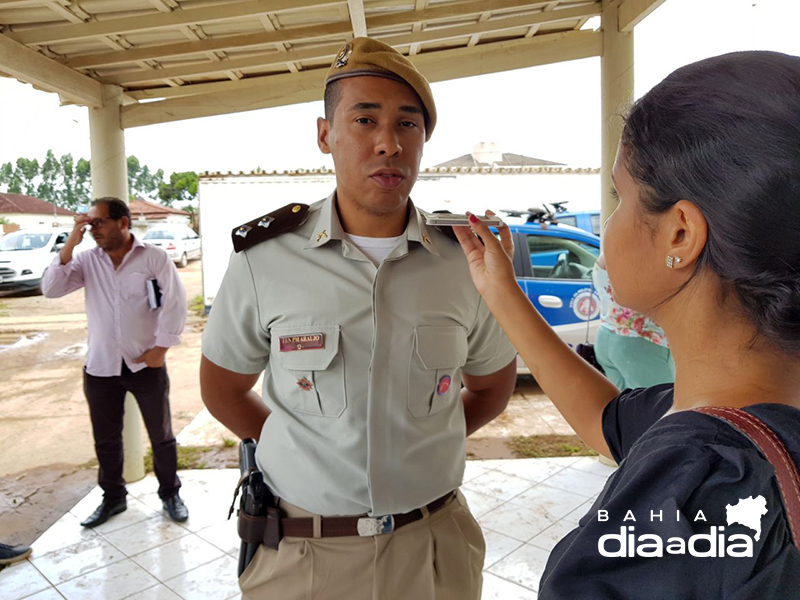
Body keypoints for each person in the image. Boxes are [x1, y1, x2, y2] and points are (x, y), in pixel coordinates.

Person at [454, 51, 800, 598]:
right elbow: (607, 419)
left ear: (680, 234)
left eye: (620, 197)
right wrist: (500, 287)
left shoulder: (694, 484)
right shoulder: (735, 420)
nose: (609, 225)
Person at [200, 37, 517, 600]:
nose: (388, 144)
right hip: (303, 556)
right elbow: (223, 388)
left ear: (424, 140)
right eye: (365, 119)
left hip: (434, 549)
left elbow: (492, 386)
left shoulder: (466, 260)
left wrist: (419, 441)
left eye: (408, 125)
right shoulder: (264, 259)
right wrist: (305, 450)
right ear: (325, 134)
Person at [42, 197, 189, 527]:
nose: (92, 229)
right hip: (101, 367)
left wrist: (161, 349)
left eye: (98, 223)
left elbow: (175, 304)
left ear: (123, 223)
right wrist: (70, 242)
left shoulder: (154, 257)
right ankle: (113, 498)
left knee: (161, 435)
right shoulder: (85, 261)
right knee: (106, 439)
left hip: (145, 365)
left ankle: (170, 494)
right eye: (89, 224)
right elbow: (51, 289)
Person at [592, 254, 675, 389]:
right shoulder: (649, 253)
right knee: (659, 406)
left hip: (607, 336)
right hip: (642, 343)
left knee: (624, 405)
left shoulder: (610, 249)